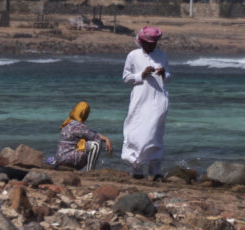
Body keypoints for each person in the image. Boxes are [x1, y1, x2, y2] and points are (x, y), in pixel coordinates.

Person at [122, 26, 170, 179]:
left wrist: (164, 73)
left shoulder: (162, 56)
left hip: (158, 99)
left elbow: (168, 75)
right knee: (136, 132)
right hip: (140, 99)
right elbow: (126, 77)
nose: (151, 46)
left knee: (155, 133)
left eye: (154, 43)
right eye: (148, 43)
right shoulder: (133, 56)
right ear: (141, 42)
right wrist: (141, 74)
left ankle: (155, 169)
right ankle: (137, 168)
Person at [54, 101, 112, 171]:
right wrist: (106, 140)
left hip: (60, 158)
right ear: (84, 114)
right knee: (95, 144)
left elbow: (91, 133)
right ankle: (90, 170)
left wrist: (106, 139)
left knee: (85, 144)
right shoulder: (79, 126)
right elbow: (95, 137)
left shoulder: (69, 122)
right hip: (67, 159)